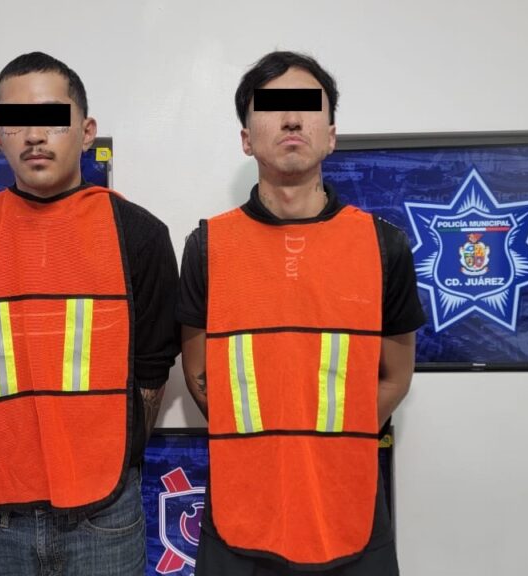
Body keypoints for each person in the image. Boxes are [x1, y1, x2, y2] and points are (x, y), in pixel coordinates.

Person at [177, 51, 425, 575]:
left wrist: (331, 443)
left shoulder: (383, 246)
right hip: (240, 516)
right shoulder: (207, 246)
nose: (291, 119)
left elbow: (396, 377)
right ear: (246, 139)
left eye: (308, 107)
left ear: (330, 135)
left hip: (349, 511)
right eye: (272, 108)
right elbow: (201, 376)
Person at [0, 52, 179, 576]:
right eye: (16, 122)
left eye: (51, 118)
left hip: (103, 514)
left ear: (87, 132)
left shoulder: (139, 235)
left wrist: (111, 463)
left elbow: (151, 369)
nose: (34, 135)